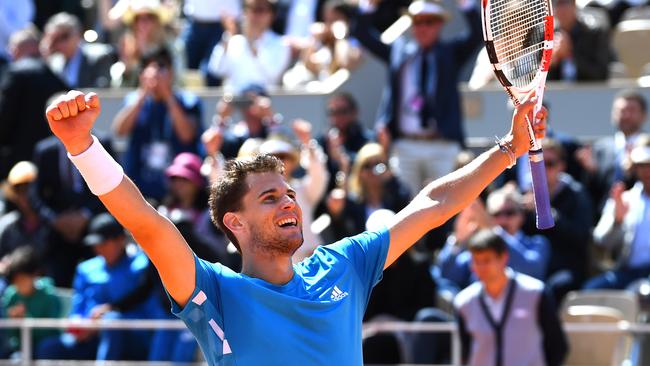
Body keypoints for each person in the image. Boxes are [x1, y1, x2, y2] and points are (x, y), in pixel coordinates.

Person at [44, 88, 544, 365]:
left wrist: (508, 151)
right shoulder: (213, 291)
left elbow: (433, 203)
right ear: (234, 222)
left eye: (288, 194)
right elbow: (148, 226)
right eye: (270, 198)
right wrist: (82, 147)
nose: (290, 204)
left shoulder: (344, 264)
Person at [353, 0, 482, 195]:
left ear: (440, 24)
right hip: (405, 144)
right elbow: (362, 34)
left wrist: (465, 4)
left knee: (447, 204)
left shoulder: (450, 53)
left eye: (428, 21)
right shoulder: (399, 53)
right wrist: (369, 6)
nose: (422, 27)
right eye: (417, 22)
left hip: (442, 144)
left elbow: (478, 34)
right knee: (406, 208)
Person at [36, 213, 164, 361]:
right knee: (49, 348)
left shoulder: (141, 266)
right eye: (95, 244)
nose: (98, 248)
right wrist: (82, 325)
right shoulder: (86, 269)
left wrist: (106, 319)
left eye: (104, 243)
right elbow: (77, 309)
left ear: (121, 240)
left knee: (112, 321)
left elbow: (148, 311)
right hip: (91, 338)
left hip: (131, 338)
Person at [454, 229, 568, 366]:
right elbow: (466, 352)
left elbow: (557, 345)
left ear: (503, 258)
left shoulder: (535, 293)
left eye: (487, 260)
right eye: (476, 261)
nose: (481, 267)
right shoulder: (464, 302)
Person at [112, 46, 202, 202]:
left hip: (177, 190)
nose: (155, 74)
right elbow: (119, 131)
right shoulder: (134, 100)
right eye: (148, 68)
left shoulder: (188, 101)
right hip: (140, 188)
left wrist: (167, 95)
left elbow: (186, 135)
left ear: (172, 72)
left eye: (161, 67)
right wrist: (142, 94)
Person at [584, 134, 650, 290]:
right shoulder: (624, 199)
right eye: (642, 165)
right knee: (591, 291)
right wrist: (617, 221)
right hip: (628, 273)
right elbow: (601, 241)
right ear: (634, 166)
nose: (647, 170)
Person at [0, 27, 67, 179]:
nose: (10, 52)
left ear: (20, 48)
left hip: (18, 160)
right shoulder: (54, 73)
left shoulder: (15, 72)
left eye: (12, 48)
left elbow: (4, 118)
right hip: (50, 157)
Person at [576, 90, 648, 215]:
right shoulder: (600, 148)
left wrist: (634, 168)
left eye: (631, 111)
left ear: (643, 115)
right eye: (621, 111)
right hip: (604, 221)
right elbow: (592, 193)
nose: (626, 116)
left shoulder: (648, 146)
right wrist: (591, 173)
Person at [206, 0, 291, 92]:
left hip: (264, 102)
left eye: (261, 10)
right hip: (233, 101)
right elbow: (216, 69)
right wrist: (229, 34)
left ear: (272, 15)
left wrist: (252, 42)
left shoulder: (281, 44)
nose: (255, 16)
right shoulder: (234, 40)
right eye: (251, 9)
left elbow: (273, 74)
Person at [1, 246, 61, 358]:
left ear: (35, 275)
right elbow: (11, 336)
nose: (19, 285)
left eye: (22, 279)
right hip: (21, 350)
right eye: (15, 281)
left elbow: (51, 330)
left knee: (46, 350)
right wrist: (13, 321)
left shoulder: (49, 295)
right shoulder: (11, 296)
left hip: (46, 348)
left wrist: (25, 320)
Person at [40, 12, 116, 88]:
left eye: (64, 36)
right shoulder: (54, 63)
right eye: (55, 39)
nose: (60, 43)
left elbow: (101, 90)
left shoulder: (98, 57)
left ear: (77, 34)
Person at [548, 0, 611, 81]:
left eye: (564, 3)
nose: (560, 9)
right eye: (556, 4)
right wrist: (553, 61)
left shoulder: (594, 32)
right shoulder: (548, 35)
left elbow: (601, 74)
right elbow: (545, 82)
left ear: (574, 5)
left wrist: (570, 53)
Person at [0, 162, 49, 260]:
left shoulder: (53, 223)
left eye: (28, 189)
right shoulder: (7, 226)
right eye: (20, 191)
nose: (26, 196)